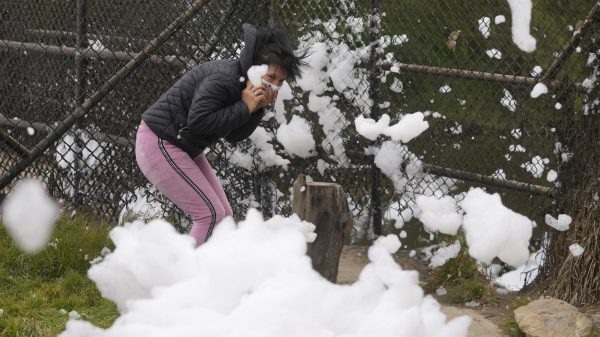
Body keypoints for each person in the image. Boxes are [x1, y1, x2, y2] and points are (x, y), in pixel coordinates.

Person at [135, 23, 306, 246]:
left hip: (182, 146)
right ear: (255, 67)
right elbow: (199, 120)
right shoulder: (225, 78)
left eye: (280, 82)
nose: (275, 86)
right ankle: (188, 277)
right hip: (158, 143)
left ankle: (210, 272)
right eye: (271, 77)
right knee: (209, 214)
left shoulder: (245, 84)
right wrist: (245, 107)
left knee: (224, 215)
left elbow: (233, 135)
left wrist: (255, 108)